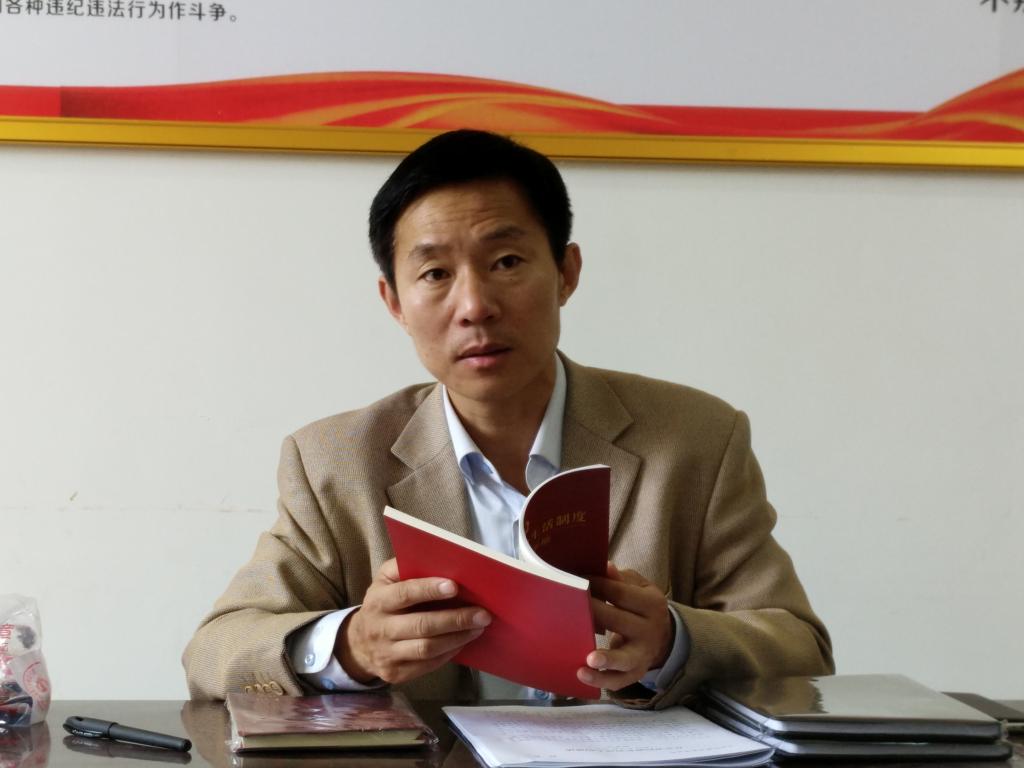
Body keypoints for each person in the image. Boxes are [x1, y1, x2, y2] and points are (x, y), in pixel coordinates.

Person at [183, 130, 833, 708]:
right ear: (394, 302)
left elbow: (799, 647)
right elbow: (215, 651)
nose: (475, 305)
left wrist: (674, 642)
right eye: (435, 273)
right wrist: (350, 647)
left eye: (507, 263)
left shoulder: (696, 439)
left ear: (566, 273)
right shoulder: (336, 459)